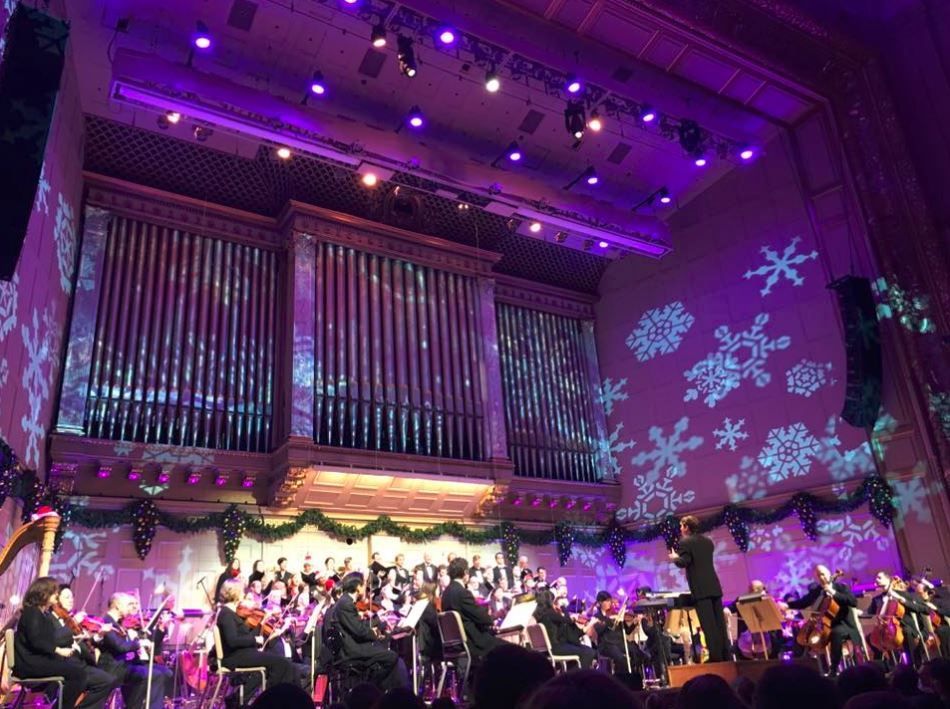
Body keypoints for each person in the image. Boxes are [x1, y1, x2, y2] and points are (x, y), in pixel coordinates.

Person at [14, 577, 114, 709]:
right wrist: (59, 650)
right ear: (44, 593)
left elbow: (46, 639)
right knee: (77, 673)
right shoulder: (32, 613)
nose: (56, 594)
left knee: (78, 672)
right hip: (29, 664)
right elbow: (36, 641)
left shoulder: (41, 613)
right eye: (54, 592)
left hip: (37, 661)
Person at [324, 572, 406, 690]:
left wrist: (374, 628)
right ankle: (370, 688)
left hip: (352, 647)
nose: (365, 588)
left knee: (384, 653)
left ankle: (380, 692)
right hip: (351, 651)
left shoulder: (345, 601)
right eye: (364, 585)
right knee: (391, 657)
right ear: (358, 587)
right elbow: (359, 631)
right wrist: (374, 633)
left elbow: (357, 626)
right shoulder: (346, 604)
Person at [216, 579, 297, 696]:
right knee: (281, 664)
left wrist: (261, 624)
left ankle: (239, 698)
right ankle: (271, 700)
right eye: (241, 591)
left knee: (283, 664)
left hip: (243, 653)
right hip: (235, 657)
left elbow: (245, 636)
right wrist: (254, 640)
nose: (243, 593)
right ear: (234, 592)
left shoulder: (231, 613)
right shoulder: (226, 614)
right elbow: (232, 641)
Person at [669, 514, 731, 662]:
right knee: (720, 624)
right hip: (714, 586)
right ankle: (726, 655)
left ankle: (716, 658)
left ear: (687, 527)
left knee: (708, 625)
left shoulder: (685, 542)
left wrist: (675, 558)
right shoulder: (708, 541)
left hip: (701, 589)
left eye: (682, 526)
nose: (680, 529)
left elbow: (684, 562)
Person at [98, 592, 172, 709]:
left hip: (126, 664)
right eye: (128, 604)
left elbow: (132, 644)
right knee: (153, 675)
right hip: (114, 667)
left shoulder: (119, 623)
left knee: (164, 673)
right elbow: (120, 647)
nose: (130, 608)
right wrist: (138, 644)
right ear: (117, 605)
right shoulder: (106, 622)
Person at [786, 564, 860, 676]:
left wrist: (833, 592)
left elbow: (853, 602)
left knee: (836, 632)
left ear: (829, 574)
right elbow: (803, 602)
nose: (821, 577)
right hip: (825, 624)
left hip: (843, 623)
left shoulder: (841, 587)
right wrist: (787, 605)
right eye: (818, 575)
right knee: (805, 638)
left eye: (823, 574)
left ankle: (833, 668)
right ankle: (813, 671)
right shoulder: (818, 591)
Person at [441, 557, 503, 660]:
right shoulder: (462, 593)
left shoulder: (445, 594)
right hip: (472, 643)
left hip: (454, 644)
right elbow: (481, 617)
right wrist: (494, 616)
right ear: (466, 572)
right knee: (512, 650)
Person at [532, 590, 596, 669]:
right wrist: (563, 608)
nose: (555, 604)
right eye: (554, 601)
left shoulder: (540, 615)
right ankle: (576, 674)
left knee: (586, 650)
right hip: (556, 647)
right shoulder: (550, 613)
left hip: (549, 649)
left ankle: (572, 672)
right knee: (588, 652)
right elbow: (567, 620)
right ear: (549, 602)